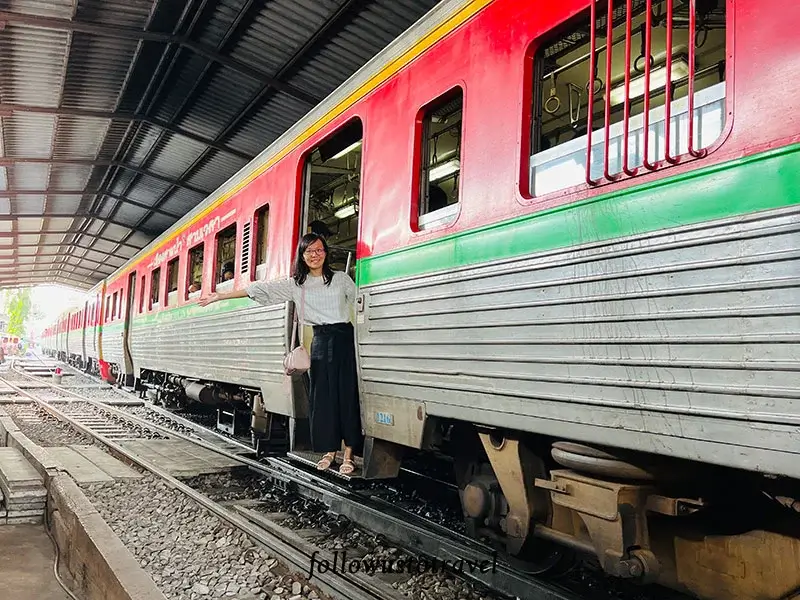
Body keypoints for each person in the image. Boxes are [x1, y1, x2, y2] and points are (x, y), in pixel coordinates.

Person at [199, 233, 363, 474]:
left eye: (318, 250)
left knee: (346, 397)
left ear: (326, 253)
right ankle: (330, 452)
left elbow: (359, 300)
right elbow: (260, 288)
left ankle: (348, 454)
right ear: (302, 256)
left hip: (344, 340)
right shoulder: (297, 284)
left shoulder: (340, 279)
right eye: (309, 252)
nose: (314, 255)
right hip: (319, 340)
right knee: (323, 399)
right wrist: (221, 295)